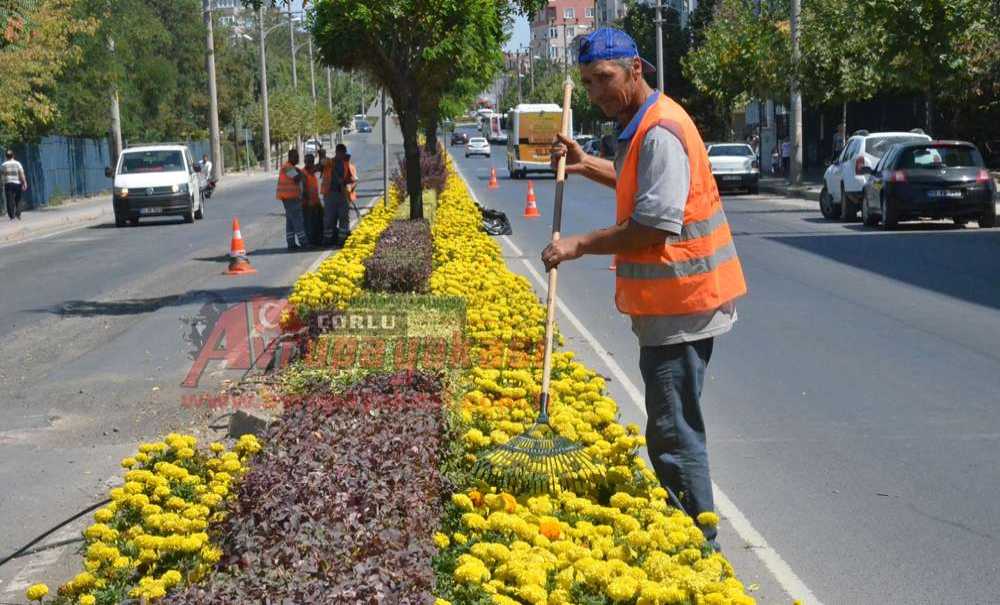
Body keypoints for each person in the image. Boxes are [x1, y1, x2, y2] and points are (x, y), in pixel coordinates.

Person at [544, 27, 747, 547]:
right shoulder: (644, 126)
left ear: (636, 69)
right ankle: (692, 540)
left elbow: (653, 225)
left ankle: (700, 552)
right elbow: (642, 186)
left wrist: (578, 245)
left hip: (681, 306)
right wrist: (585, 162)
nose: (595, 93)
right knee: (671, 430)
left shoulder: (658, 131)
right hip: (674, 307)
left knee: (675, 437)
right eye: (587, 82)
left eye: (604, 78)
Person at [321, 143, 357, 247]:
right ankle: (327, 240)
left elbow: (353, 179)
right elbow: (322, 162)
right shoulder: (329, 162)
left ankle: (341, 240)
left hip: (343, 195)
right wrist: (322, 155)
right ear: (337, 152)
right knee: (329, 218)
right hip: (330, 194)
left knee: (343, 218)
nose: (343, 155)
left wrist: (345, 182)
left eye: (344, 153)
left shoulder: (347, 164)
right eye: (341, 153)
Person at [275, 149, 308, 250]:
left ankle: (291, 243)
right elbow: (297, 178)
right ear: (290, 157)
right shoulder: (288, 167)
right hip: (291, 198)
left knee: (290, 221)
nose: (298, 158)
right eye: (296, 156)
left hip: (288, 198)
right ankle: (304, 242)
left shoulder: (289, 167)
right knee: (298, 221)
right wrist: (302, 173)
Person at [301, 153, 325, 246]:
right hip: (307, 203)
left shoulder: (311, 171)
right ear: (305, 162)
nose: (310, 163)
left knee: (317, 222)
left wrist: (321, 155)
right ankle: (310, 241)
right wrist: (307, 201)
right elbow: (304, 190)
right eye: (308, 162)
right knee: (309, 223)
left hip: (315, 202)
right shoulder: (303, 173)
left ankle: (316, 239)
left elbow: (320, 166)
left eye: (311, 161)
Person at [2, 149, 28, 221]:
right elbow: (21, 173)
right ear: (13, 155)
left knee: (9, 200)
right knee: (18, 199)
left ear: (6, 156)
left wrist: (2, 183)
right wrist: (24, 182)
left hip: (8, 183)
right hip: (17, 183)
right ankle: (18, 214)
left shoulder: (3, 165)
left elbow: (2, 175)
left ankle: (11, 216)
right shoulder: (17, 163)